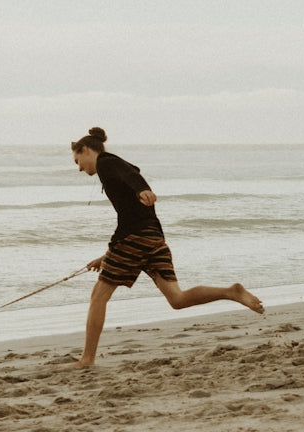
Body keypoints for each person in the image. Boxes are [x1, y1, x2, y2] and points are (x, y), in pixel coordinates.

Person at [67, 127, 264, 367]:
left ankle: (86, 359)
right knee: (177, 299)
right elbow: (132, 203)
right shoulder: (114, 165)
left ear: (86, 150)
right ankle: (230, 291)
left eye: (78, 161)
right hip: (152, 236)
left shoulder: (107, 163)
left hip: (136, 237)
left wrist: (143, 189)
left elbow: (132, 176)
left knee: (98, 296)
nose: (79, 168)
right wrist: (107, 255)